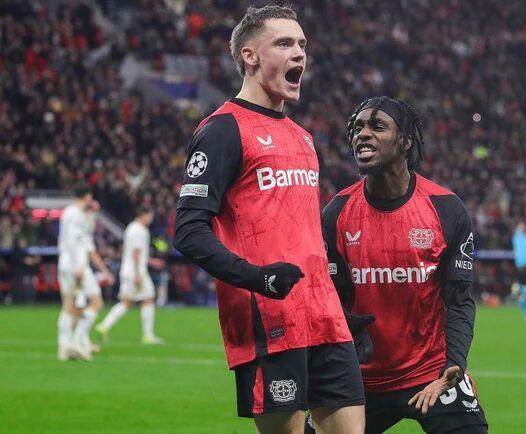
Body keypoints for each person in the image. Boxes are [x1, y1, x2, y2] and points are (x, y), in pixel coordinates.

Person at [173, 6, 364, 434]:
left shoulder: (303, 138)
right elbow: (187, 231)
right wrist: (257, 279)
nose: (299, 53)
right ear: (250, 56)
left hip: (326, 320)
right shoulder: (222, 130)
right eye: (284, 43)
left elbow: (305, 236)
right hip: (269, 322)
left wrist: (338, 304)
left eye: (302, 44)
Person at [313, 97, 488, 433]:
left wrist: (454, 364)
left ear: (406, 141)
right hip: (360, 379)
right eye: (358, 128)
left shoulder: (446, 208)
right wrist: (346, 328)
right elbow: (328, 298)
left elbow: (459, 299)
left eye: (377, 126)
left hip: (431, 374)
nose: (362, 134)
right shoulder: (337, 213)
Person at [57, 185, 114, 361]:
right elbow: (73, 241)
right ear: (87, 197)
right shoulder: (75, 214)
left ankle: (65, 345)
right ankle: (77, 341)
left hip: (68, 264)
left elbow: (87, 245)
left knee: (70, 306)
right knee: (96, 302)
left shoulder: (73, 214)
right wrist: (78, 267)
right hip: (76, 266)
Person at [96, 206, 166, 344]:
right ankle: (148, 336)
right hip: (136, 271)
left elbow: (135, 253)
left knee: (127, 302)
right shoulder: (139, 230)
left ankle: (104, 326)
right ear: (144, 214)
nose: (151, 219)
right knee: (148, 299)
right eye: (150, 215)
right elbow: (135, 253)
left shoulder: (131, 228)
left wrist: (151, 262)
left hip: (129, 270)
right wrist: (138, 274)